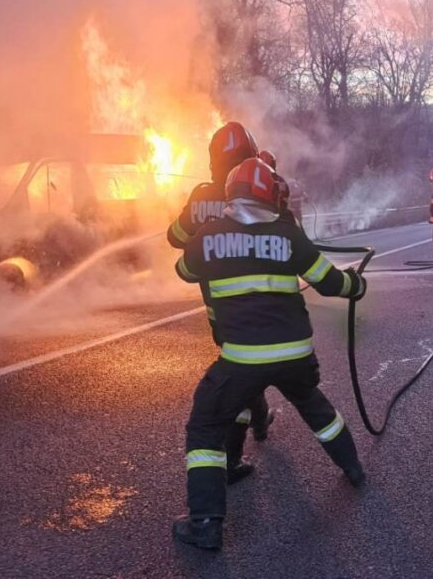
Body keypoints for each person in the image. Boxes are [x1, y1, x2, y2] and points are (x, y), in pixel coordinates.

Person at [172, 157, 367, 550]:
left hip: (242, 359)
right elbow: (330, 284)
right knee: (314, 406)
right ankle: (354, 468)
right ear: (272, 196)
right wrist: (356, 286)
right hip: (296, 354)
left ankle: (206, 524)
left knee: (206, 426)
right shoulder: (287, 234)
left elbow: (184, 271)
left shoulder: (208, 236)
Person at [167, 122, 274, 469]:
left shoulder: (200, 196)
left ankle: (260, 421)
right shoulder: (257, 194)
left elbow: (176, 237)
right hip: (258, 304)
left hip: (220, 310)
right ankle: (231, 456)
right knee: (246, 371)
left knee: (245, 363)